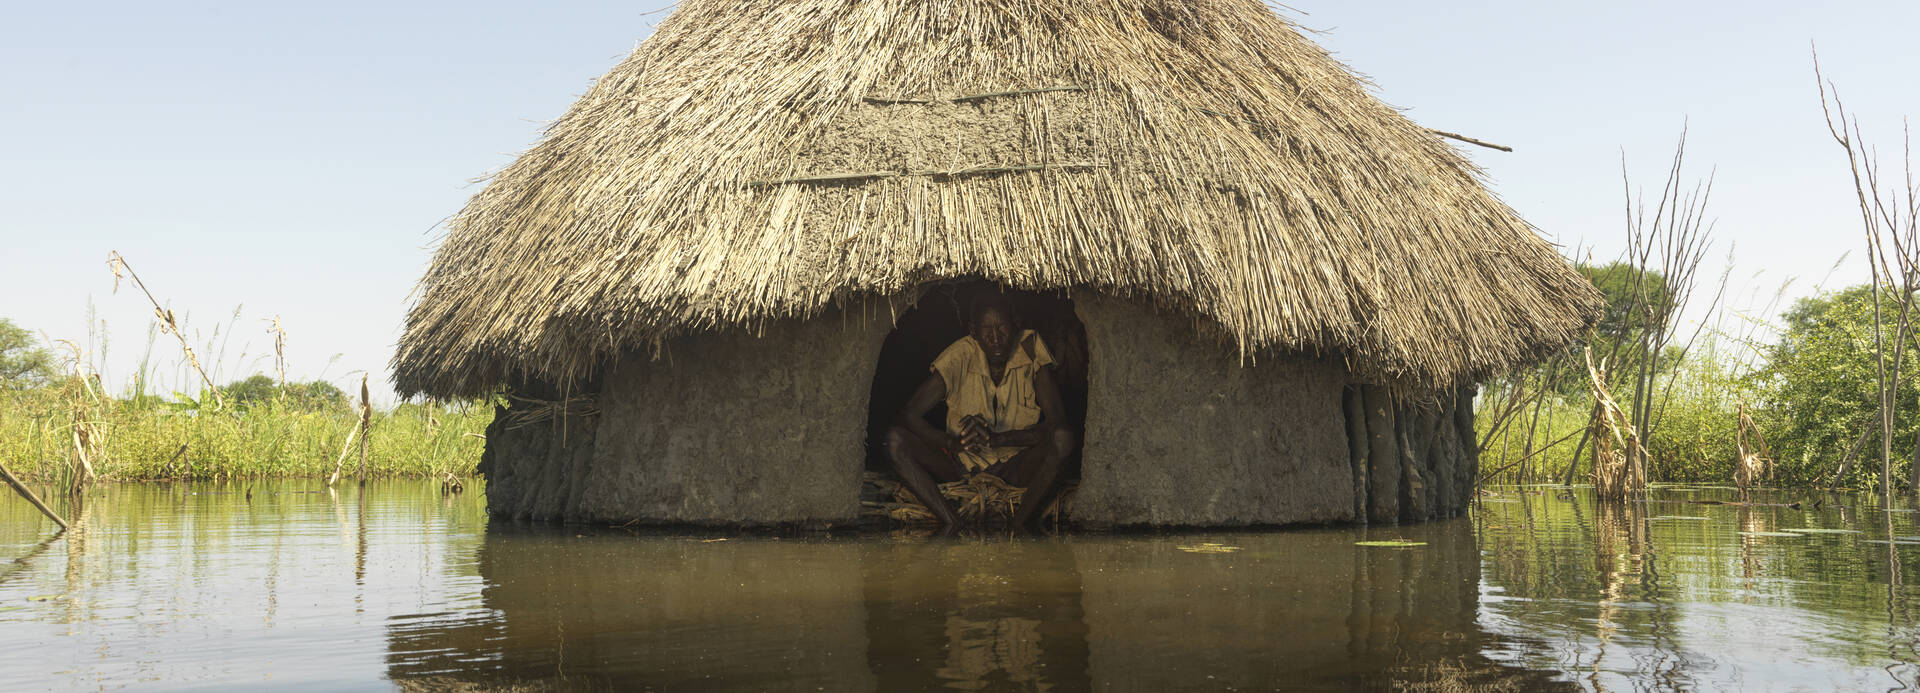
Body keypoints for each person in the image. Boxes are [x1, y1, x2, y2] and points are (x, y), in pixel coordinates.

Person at [884, 293, 1078, 530]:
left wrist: (1001, 439)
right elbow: (909, 414)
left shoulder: (1030, 347)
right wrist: (951, 442)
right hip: (960, 466)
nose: (995, 338)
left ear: (1015, 324)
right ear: (973, 331)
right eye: (987, 330)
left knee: (1064, 438)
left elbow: (1057, 422)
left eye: (1002, 327)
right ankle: (953, 524)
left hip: (1016, 466)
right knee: (895, 441)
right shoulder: (960, 355)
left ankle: (1019, 526)